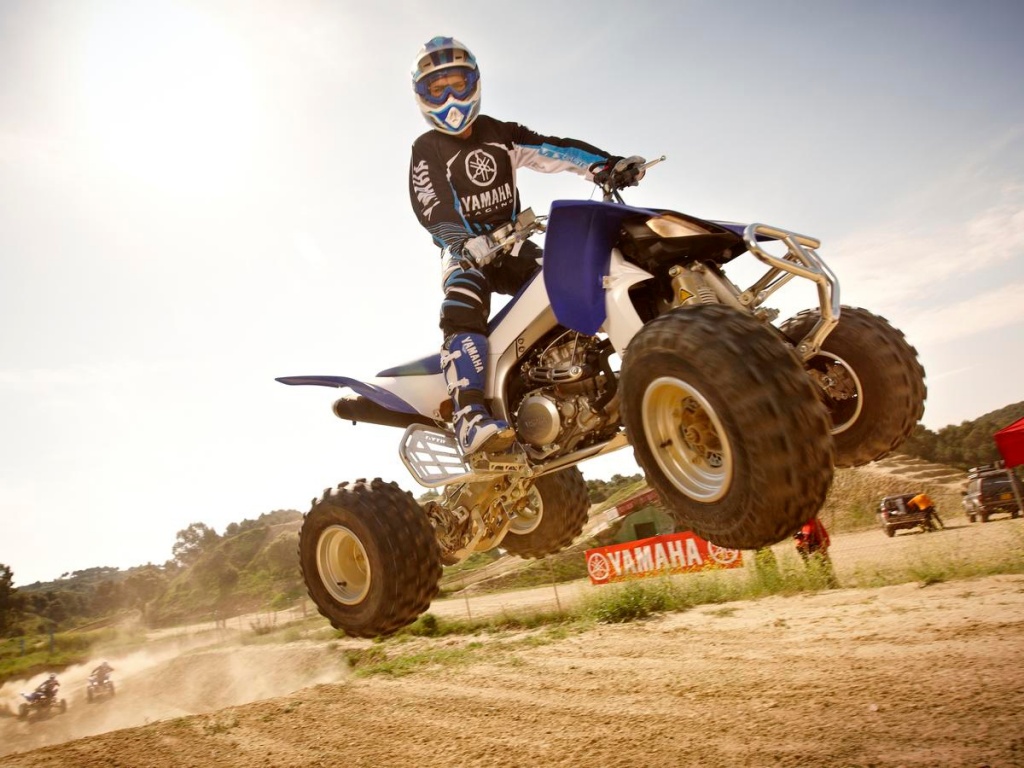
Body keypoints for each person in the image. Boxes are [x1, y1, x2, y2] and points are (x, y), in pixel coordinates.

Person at [408, 36, 645, 455]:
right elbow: (432, 204)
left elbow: (554, 150)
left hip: (514, 244)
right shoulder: (427, 148)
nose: (450, 98)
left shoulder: (501, 133)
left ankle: (586, 379)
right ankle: (469, 415)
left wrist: (606, 165)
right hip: (467, 253)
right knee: (462, 301)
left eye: (458, 85)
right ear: (422, 97)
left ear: (475, 83)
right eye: (437, 89)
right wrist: (461, 242)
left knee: (574, 281)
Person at [794, 516, 839, 588]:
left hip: (818, 542)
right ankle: (816, 583)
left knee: (823, 563)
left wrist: (819, 547)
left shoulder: (811, 520)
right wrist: (801, 546)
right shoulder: (795, 521)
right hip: (806, 543)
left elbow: (811, 533)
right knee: (809, 565)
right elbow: (798, 538)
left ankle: (831, 583)